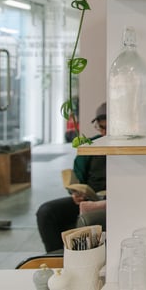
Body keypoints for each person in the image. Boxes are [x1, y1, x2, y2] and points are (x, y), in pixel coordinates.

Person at [36, 102, 107, 253]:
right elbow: (78, 177)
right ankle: (56, 257)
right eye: (101, 128)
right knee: (46, 211)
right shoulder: (91, 146)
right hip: (90, 198)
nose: (104, 133)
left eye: (108, 128)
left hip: (111, 202)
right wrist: (76, 193)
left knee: (90, 218)